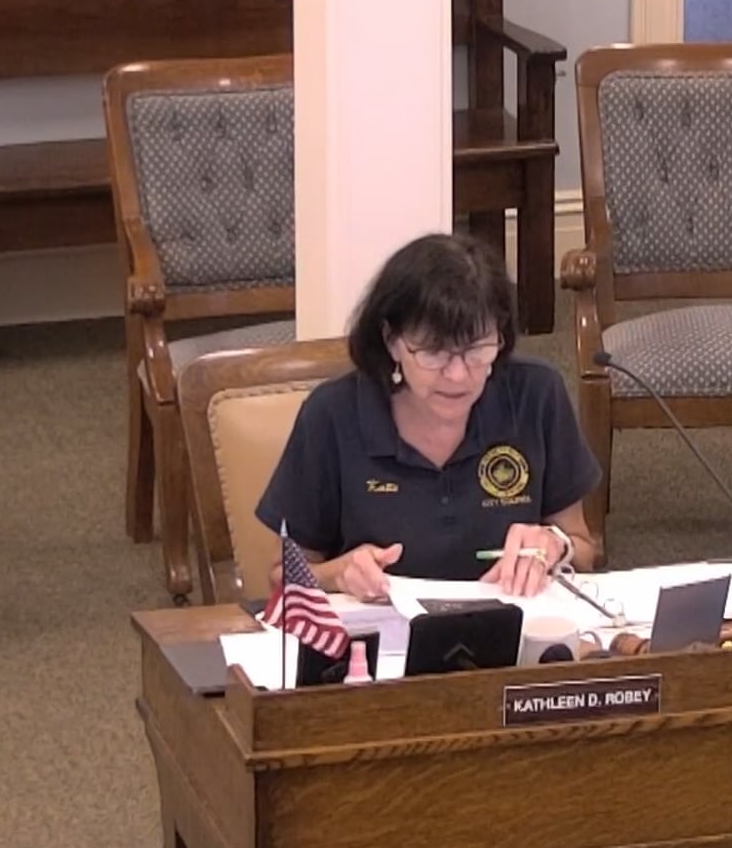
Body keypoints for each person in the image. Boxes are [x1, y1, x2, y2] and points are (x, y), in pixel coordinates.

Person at [257, 233, 601, 601]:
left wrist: (555, 545)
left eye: (477, 350)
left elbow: (584, 549)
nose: (457, 375)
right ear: (391, 340)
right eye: (434, 352)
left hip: (517, 624)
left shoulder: (536, 394)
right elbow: (282, 576)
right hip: (381, 630)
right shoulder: (332, 415)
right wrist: (339, 573)